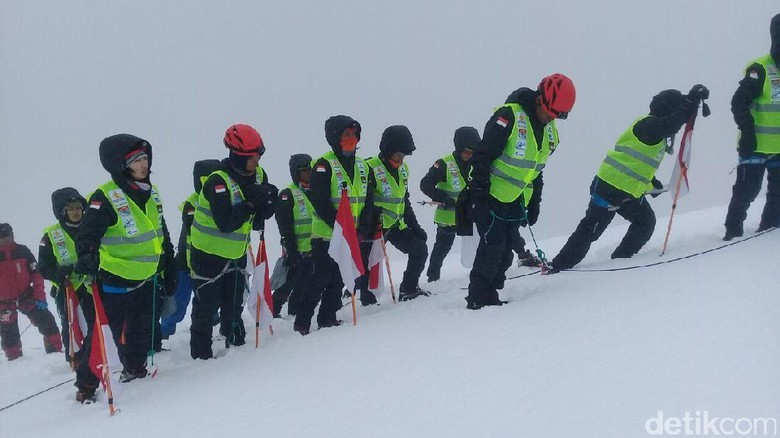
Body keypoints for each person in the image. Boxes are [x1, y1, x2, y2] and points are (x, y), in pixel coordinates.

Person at [549, 85, 709, 272]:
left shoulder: (656, 131)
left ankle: (621, 259)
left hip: (627, 191)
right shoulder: (649, 124)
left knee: (646, 222)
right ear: (668, 110)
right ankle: (559, 265)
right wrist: (688, 103)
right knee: (590, 230)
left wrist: (651, 182)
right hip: (609, 186)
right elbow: (670, 124)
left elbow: (636, 163)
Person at [72, 134, 177, 402]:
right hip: (115, 280)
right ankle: (86, 385)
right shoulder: (105, 196)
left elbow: (160, 232)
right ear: (120, 164)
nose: (143, 165)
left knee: (141, 330)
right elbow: (88, 233)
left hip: (146, 279)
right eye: (136, 160)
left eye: (145, 159)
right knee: (102, 336)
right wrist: (86, 254)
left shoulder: (151, 193)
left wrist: (170, 265)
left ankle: (134, 366)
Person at [464, 73, 576, 309]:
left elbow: (537, 170)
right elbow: (482, 157)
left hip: (514, 200)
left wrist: (535, 201)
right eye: (549, 112)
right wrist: (479, 196)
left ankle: (491, 295)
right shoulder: (509, 117)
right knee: (491, 247)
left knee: (505, 252)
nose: (550, 119)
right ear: (539, 100)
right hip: (490, 195)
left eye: (556, 116)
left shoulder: (550, 133)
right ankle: (476, 299)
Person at [189, 124, 277, 359]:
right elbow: (225, 223)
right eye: (252, 157)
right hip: (207, 253)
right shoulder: (217, 182)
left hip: (236, 251)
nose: (256, 162)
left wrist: (269, 202)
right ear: (237, 156)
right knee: (206, 307)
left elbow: (259, 218)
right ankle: (201, 356)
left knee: (234, 301)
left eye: (259, 155)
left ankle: (236, 341)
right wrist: (249, 203)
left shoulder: (259, 174)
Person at [293, 115, 376, 335]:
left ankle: (327, 318)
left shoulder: (363, 166)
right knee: (320, 278)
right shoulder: (323, 165)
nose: (351, 138)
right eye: (346, 134)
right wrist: (341, 228)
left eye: (354, 134)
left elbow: (367, 201)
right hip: (326, 236)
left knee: (338, 279)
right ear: (334, 137)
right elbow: (320, 201)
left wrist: (362, 229)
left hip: (350, 236)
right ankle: (302, 322)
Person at [723, 13, 780, 241]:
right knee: (747, 192)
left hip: (779, 149)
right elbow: (738, 102)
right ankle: (733, 233)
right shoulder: (760, 69)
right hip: (754, 145)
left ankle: (769, 230)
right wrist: (747, 133)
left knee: (778, 195)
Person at [367, 126, 430, 301]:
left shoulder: (403, 170)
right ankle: (364, 299)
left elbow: (404, 200)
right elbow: (364, 202)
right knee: (369, 263)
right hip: (375, 226)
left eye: (403, 156)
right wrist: (370, 222)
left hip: (395, 225)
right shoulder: (369, 168)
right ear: (387, 151)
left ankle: (408, 289)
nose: (400, 160)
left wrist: (414, 226)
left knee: (420, 249)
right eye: (397, 155)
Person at [160, 159, 221, 340]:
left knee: (209, 300)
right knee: (177, 306)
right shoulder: (192, 203)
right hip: (186, 264)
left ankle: (213, 320)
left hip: (208, 263)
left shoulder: (223, 200)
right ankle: (163, 333)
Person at [38, 188, 94, 365]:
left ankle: (95, 353)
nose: (76, 212)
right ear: (63, 212)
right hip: (66, 288)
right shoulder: (50, 236)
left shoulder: (91, 227)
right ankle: (75, 357)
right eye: (71, 209)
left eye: (78, 207)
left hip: (90, 285)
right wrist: (58, 273)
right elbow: (43, 268)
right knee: (70, 323)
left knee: (93, 320)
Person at [421, 126, 478, 282]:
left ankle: (479, 275)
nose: (469, 155)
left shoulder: (477, 163)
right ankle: (433, 278)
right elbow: (425, 184)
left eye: (472, 152)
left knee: (479, 246)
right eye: (466, 151)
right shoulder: (444, 164)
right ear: (459, 147)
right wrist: (444, 198)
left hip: (470, 215)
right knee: (442, 249)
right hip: (448, 217)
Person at [0, 223, 62, 361]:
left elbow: (36, 274)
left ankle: (55, 352)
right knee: (8, 334)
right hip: (4, 303)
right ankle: (14, 360)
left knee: (47, 321)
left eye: (8, 235)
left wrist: (40, 297)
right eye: (2, 236)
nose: (6, 239)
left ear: (12, 234)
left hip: (26, 296)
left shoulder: (23, 251)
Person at [272, 154, 314, 317]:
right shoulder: (288, 194)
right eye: (304, 171)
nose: (308, 174)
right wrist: (291, 249)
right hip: (296, 248)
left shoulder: (318, 190)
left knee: (306, 282)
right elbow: (284, 225)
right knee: (288, 283)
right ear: (296, 173)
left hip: (314, 248)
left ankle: (295, 311)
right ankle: (273, 311)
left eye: (310, 170)